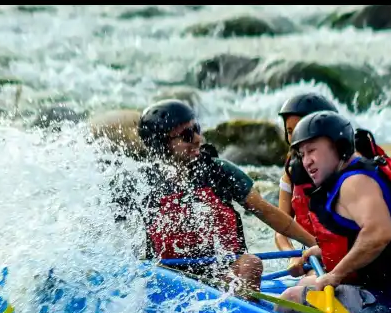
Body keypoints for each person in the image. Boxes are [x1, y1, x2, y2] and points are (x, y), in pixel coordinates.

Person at [274, 110, 391, 313]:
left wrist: (336, 274)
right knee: (305, 285)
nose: (306, 162)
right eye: (302, 154)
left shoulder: (355, 182)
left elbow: (378, 234)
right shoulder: (356, 175)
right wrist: (326, 253)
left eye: (312, 150)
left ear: (339, 146)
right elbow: (375, 242)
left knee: (290, 298)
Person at [135, 99, 316, 293]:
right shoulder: (143, 184)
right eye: (187, 135)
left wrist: (316, 245)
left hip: (221, 271)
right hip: (167, 275)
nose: (197, 139)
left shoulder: (219, 172)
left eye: (196, 129)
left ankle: (241, 308)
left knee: (250, 264)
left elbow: (267, 212)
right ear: (161, 144)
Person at [274, 92, 341, 277]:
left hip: (343, 258)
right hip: (314, 259)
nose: (296, 137)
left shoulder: (347, 171)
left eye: (304, 129)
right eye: (290, 131)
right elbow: (281, 229)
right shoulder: (291, 172)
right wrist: (292, 257)